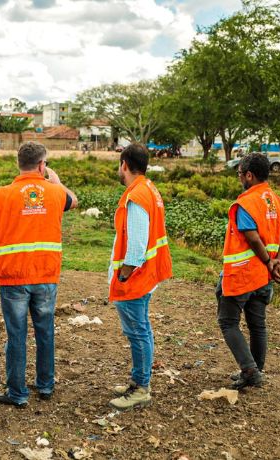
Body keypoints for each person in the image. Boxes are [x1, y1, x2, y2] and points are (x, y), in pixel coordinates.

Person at [0, 142, 78, 407]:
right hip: (46, 275)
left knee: (16, 335)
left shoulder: (0, 195)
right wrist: (56, 182)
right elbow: (75, 201)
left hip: (14, 277)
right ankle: (45, 386)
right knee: (45, 331)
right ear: (41, 165)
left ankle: (17, 393)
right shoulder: (56, 193)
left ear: (19, 164)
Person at [216, 153, 280, 390]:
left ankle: (249, 370)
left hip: (243, 274)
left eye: (240, 174)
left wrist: (269, 260)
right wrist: (277, 261)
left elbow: (252, 238)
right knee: (257, 324)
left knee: (227, 321)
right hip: (263, 277)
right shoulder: (275, 200)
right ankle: (256, 369)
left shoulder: (245, 203)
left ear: (249, 175)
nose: (239, 179)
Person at [107, 144, 173, 411]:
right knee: (141, 330)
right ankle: (138, 381)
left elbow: (136, 245)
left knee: (138, 332)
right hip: (148, 274)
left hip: (136, 277)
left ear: (124, 164)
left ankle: (141, 388)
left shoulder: (136, 196)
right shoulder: (149, 189)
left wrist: (123, 275)